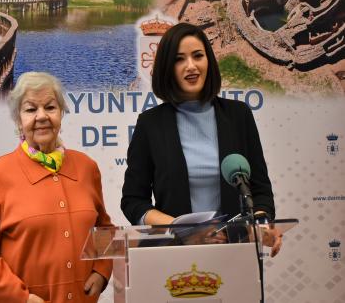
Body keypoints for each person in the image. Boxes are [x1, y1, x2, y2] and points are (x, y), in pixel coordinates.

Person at [121, 23, 282, 256]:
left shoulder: (239, 115)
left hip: (235, 252)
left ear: (209, 61)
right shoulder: (150, 124)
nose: (191, 66)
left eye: (198, 56)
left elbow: (260, 191)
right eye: (179, 59)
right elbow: (134, 201)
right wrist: (182, 229)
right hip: (176, 253)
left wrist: (262, 225)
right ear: (168, 67)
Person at [0, 72, 113, 303]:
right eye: (31, 109)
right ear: (18, 119)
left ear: (61, 113)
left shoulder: (86, 167)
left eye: (50, 107)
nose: (41, 116)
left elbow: (103, 228)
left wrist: (102, 271)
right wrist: (20, 297)